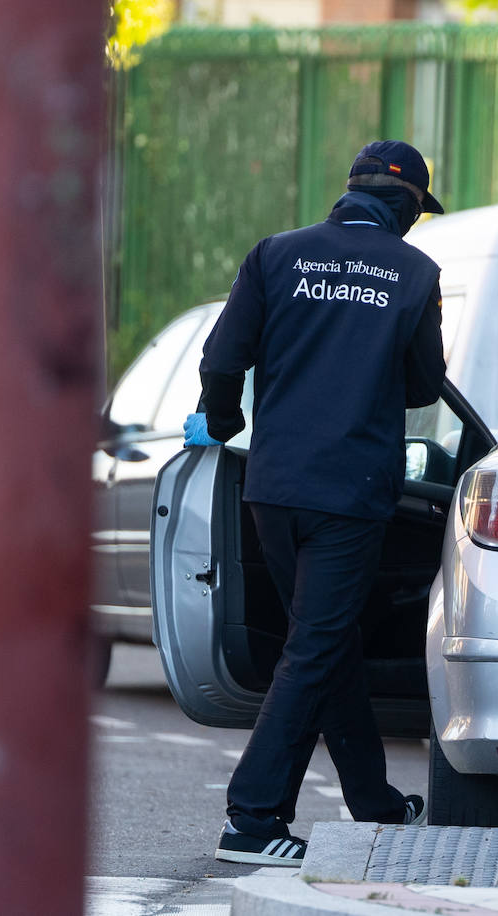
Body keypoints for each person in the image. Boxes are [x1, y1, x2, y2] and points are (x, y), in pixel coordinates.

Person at [182, 140, 448, 866]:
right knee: (316, 645)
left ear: (350, 190)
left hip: (273, 487)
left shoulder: (276, 254)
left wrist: (226, 418)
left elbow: (221, 358)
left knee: (328, 641)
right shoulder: (415, 273)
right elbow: (426, 386)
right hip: (351, 491)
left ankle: (375, 802)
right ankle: (252, 817)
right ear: (406, 207)